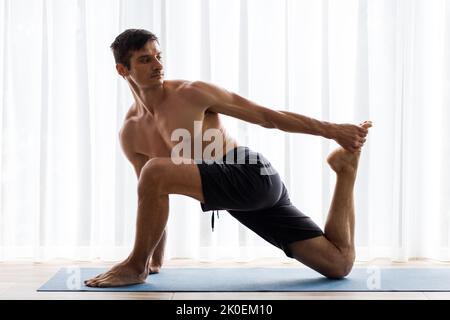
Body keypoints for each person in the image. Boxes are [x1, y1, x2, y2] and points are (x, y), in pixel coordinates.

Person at [85, 29, 372, 287]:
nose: (158, 65)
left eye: (158, 56)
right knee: (338, 264)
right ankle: (345, 171)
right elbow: (149, 197)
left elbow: (267, 117)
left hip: (250, 173)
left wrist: (333, 130)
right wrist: (153, 260)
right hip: (238, 199)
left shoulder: (191, 93)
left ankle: (134, 266)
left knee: (155, 170)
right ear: (123, 69)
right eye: (145, 60)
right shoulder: (131, 132)